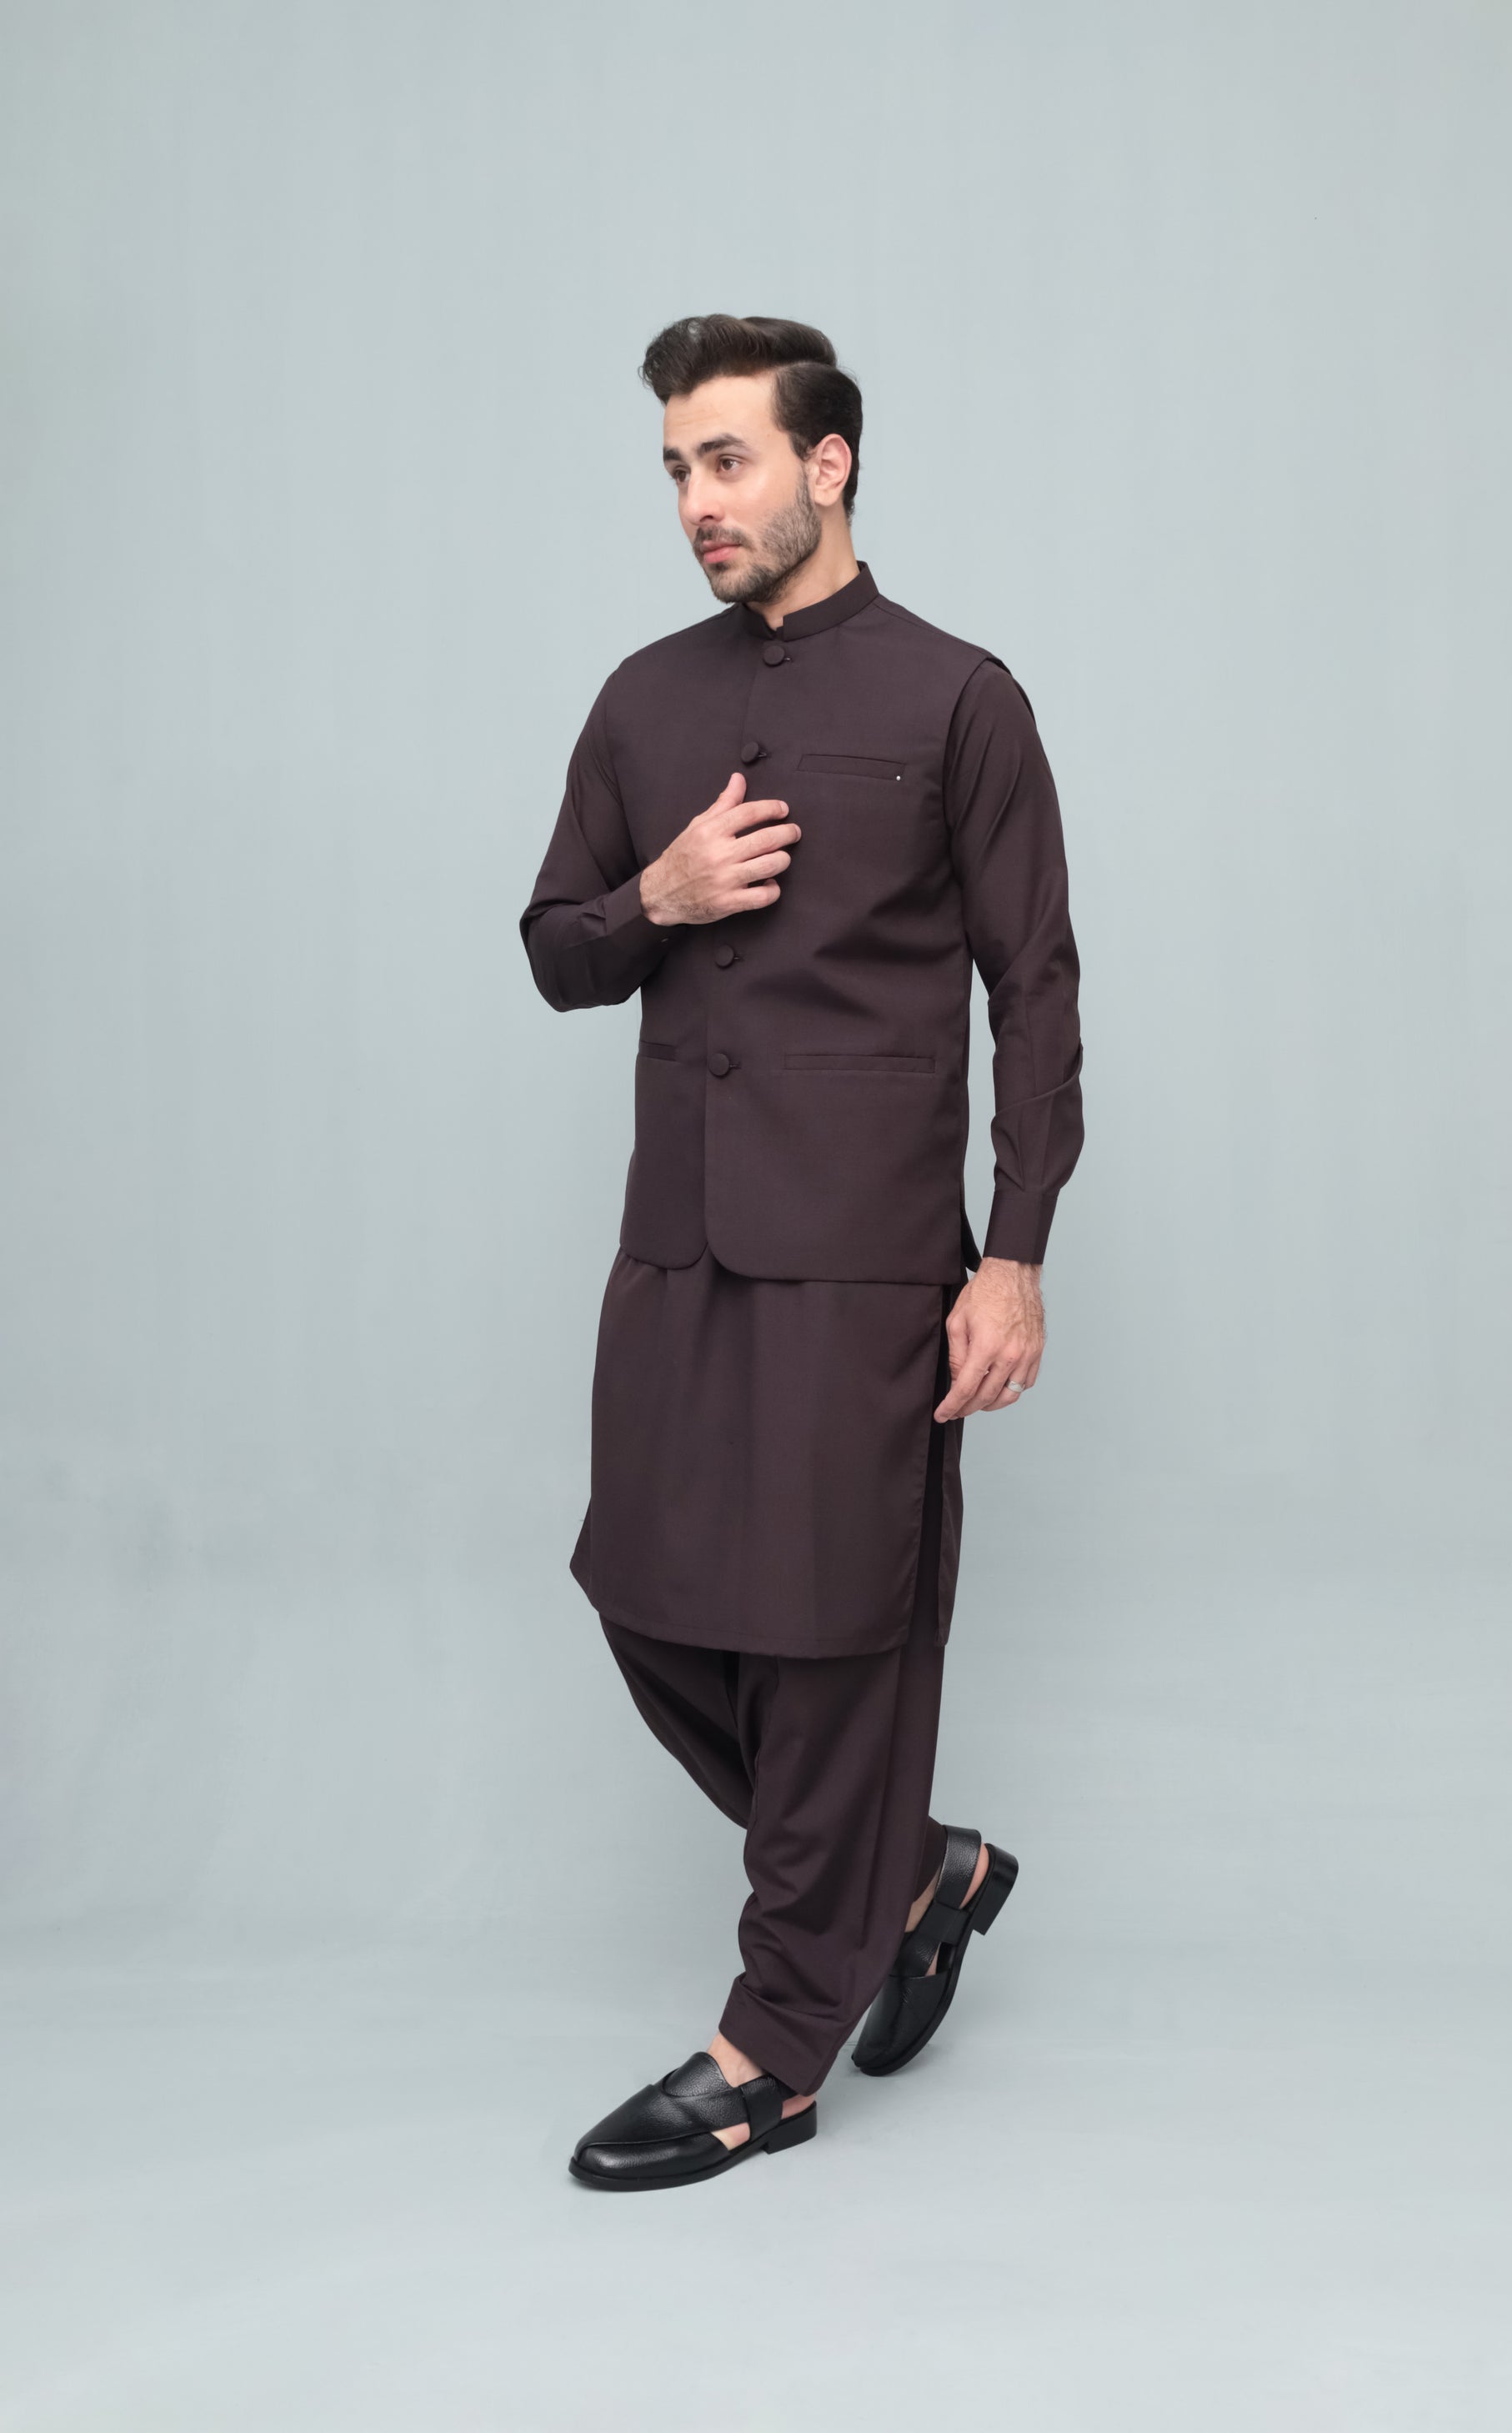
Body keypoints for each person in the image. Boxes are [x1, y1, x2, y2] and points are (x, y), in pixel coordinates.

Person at [520, 314, 1083, 2190]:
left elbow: (1036, 992)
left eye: (729, 459)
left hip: (868, 1259)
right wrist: (655, 895)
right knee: (647, 1595)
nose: (697, 499)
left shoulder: (958, 698)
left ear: (827, 464)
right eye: (677, 468)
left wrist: (1012, 1255)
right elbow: (556, 948)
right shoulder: (638, 699)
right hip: (678, 1240)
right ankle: (911, 1872)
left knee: (836, 1636)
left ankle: (770, 2046)